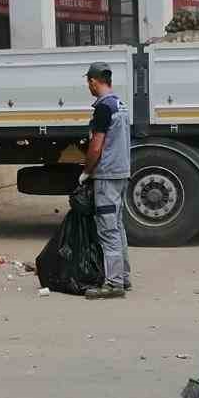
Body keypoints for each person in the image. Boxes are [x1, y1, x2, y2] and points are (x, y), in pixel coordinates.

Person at [81, 61, 131, 300]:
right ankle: (124, 276)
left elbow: (96, 146)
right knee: (118, 226)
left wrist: (86, 171)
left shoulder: (103, 108)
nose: (88, 87)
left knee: (108, 229)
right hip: (122, 173)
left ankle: (113, 284)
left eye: (88, 83)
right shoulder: (120, 104)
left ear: (93, 81)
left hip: (107, 175)